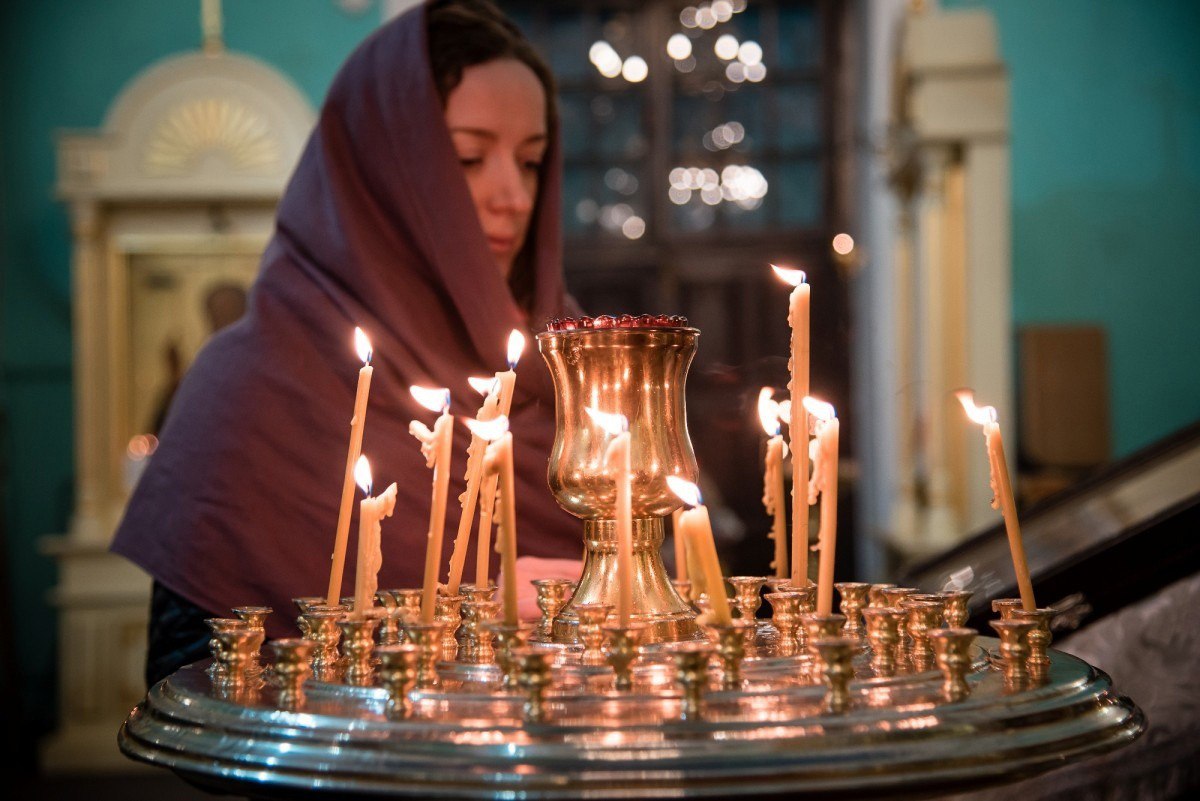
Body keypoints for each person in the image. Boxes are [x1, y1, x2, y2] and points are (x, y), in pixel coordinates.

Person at [112, 0, 582, 687]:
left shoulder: (570, 364)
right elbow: (190, 687)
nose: (513, 194)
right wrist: (448, 627)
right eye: (469, 158)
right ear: (381, 174)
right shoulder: (252, 384)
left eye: (533, 162)